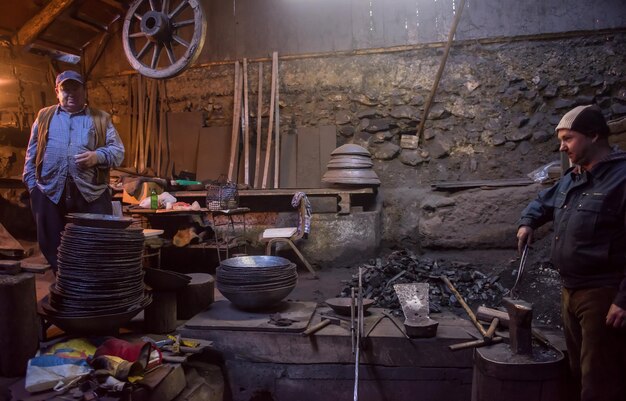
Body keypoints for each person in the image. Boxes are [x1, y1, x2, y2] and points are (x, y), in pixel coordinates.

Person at [517, 104, 626, 401]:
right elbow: (543, 202)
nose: (563, 147)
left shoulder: (621, 179)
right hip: (570, 291)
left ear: (593, 135)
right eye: (561, 141)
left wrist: (623, 300)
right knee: (578, 369)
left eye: (568, 139)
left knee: (600, 379)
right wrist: (528, 223)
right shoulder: (573, 177)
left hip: (602, 295)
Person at [23, 70, 125, 273]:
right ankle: (64, 286)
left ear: (84, 90)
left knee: (96, 243)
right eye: (65, 89)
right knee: (52, 246)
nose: (70, 93)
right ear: (57, 92)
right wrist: (32, 186)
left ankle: (89, 287)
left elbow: (118, 152)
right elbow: (31, 154)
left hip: (90, 192)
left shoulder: (101, 119)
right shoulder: (44, 117)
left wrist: (98, 156)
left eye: (75, 88)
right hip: (49, 192)